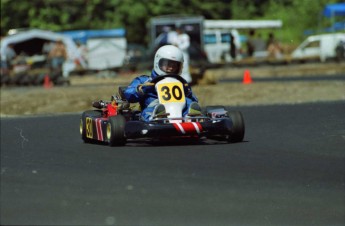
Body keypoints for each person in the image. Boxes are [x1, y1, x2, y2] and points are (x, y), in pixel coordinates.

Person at [123, 45, 201, 122]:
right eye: (167, 64)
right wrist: (141, 90)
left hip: (179, 107)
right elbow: (128, 94)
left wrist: (188, 92)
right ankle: (156, 117)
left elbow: (193, 98)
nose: (171, 68)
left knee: (188, 102)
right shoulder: (144, 80)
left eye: (174, 65)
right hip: (155, 105)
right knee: (153, 108)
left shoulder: (181, 82)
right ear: (158, 63)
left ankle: (190, 117)